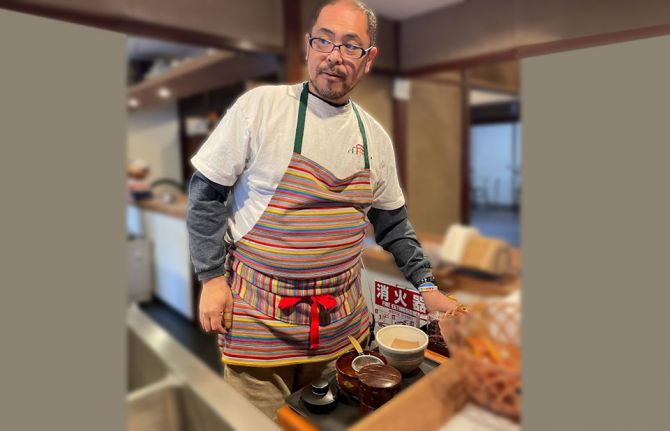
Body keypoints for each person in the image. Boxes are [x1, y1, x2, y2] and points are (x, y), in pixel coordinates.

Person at [186, 0, 465, 418]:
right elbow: (206, 195)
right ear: (308, 45)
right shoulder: (261, 109)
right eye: (324, 41)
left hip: (341, 328)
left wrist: (426, 287)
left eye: (351, 46)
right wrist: (210, 278)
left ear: (368, 60)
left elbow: (393, 225)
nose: (334, 55)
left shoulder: (374, 138)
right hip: (259, 320)